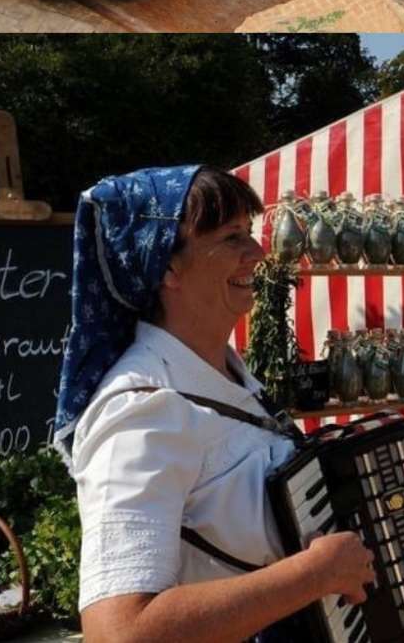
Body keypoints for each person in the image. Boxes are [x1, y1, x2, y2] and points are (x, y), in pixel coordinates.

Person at [57, 165, 376, 643]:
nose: (257, 253)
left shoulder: (224, 375)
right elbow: (119, 632)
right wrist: (315, 575)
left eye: (249, 232)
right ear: (166, 266)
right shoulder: (142, 413)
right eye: (231, 238)